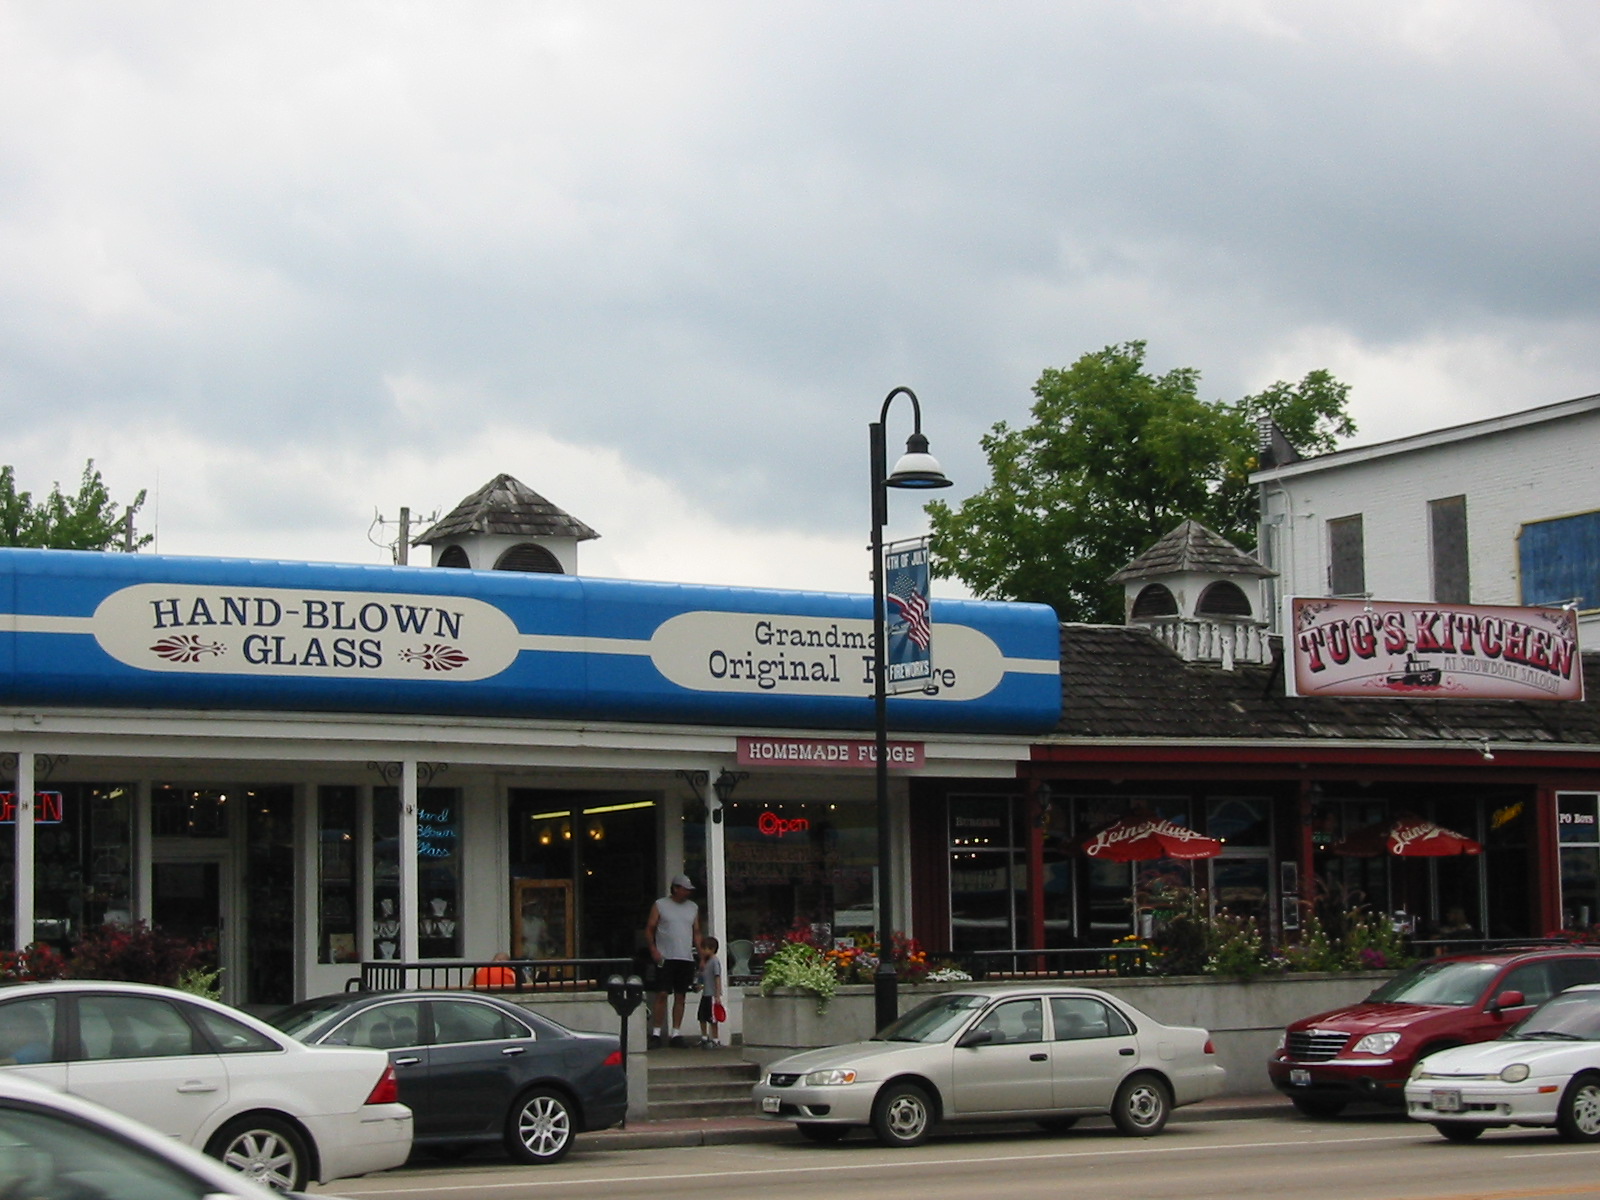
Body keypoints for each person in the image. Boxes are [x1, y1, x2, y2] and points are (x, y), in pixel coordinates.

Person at [646, 873, 701, 1049]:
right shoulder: (660, 905)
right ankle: (656, 1032)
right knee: (662, 993)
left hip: (685, 956)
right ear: (676, 888)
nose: (687, 893)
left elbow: (697, 932)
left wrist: (701, 955)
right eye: (684, 889)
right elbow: (650, 928)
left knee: (681, 995)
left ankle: (676, 1033)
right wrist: (653, 949)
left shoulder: (693, 907)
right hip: (666, 956)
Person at [696, 936, 723, 1049]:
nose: (703, 951)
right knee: (702, 1016)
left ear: (712, 949)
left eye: (705, 948)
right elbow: (703, 978)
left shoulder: (715, 961)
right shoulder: (706, 963)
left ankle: (716, 1039)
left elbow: (717, 978)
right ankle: (704, 1037)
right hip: (705, 993)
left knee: (713, 1018)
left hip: (712, 994)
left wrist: (717, 995)